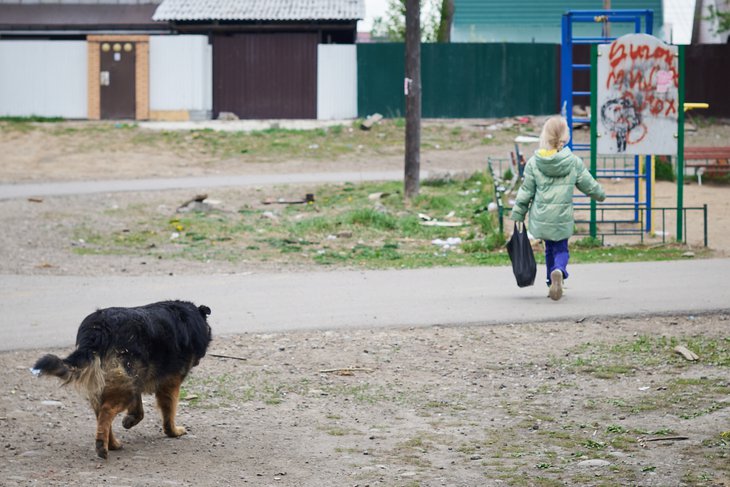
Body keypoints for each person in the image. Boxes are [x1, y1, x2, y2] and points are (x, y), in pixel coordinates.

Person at [510, 116, 606, 301]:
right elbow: (589, 185)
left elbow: (526, 191)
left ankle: (550, 282)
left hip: (542, 217)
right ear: (566, 137)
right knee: (561, 249)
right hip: (562, 217)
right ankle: (559, 271)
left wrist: (518, 212)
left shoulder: (534, 162)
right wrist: (600, 194)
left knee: (548, 249)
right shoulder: (573, 162)